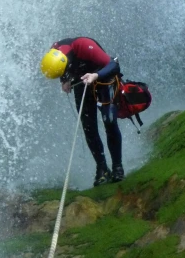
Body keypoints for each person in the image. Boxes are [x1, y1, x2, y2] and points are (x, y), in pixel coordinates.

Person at [40, 37, 124, 186]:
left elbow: (113, 65)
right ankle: (102, 168)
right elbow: (63, 71)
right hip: (82, 81)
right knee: (88, 127)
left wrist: (95, 76)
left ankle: (117, 166)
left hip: (103, 77)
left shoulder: (84, 46)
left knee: (109, 120)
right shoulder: (54, 54)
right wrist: (65, 80)